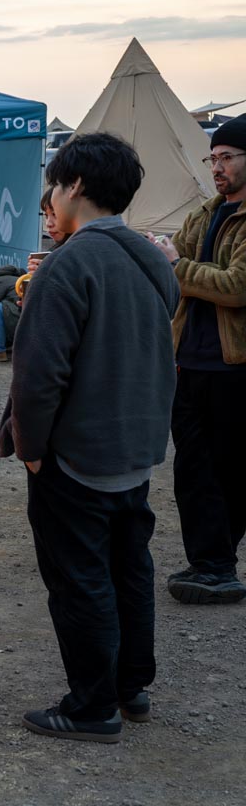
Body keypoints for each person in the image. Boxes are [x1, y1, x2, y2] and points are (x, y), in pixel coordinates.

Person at [0, 132, 178, 743]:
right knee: (130, 567)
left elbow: (38, 377)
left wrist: (31, 449)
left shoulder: (68, 265)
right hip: (136, 448)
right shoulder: (152, 257)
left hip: (75, 456)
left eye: (54, 185)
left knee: (81, 578)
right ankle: (132, 686)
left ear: (73, 187)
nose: (50, 197)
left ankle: (93, 705)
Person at [151, 114, 246, 605]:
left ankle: (216, 561)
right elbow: (174, 270)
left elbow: (236, 287)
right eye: (213, 158)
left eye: (227, 157)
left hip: (235, 366)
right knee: (191, 467)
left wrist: (176, 264)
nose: (217, 167)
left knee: (229, 469)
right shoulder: (203, 214)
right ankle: (210, 560)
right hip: (188, 362)